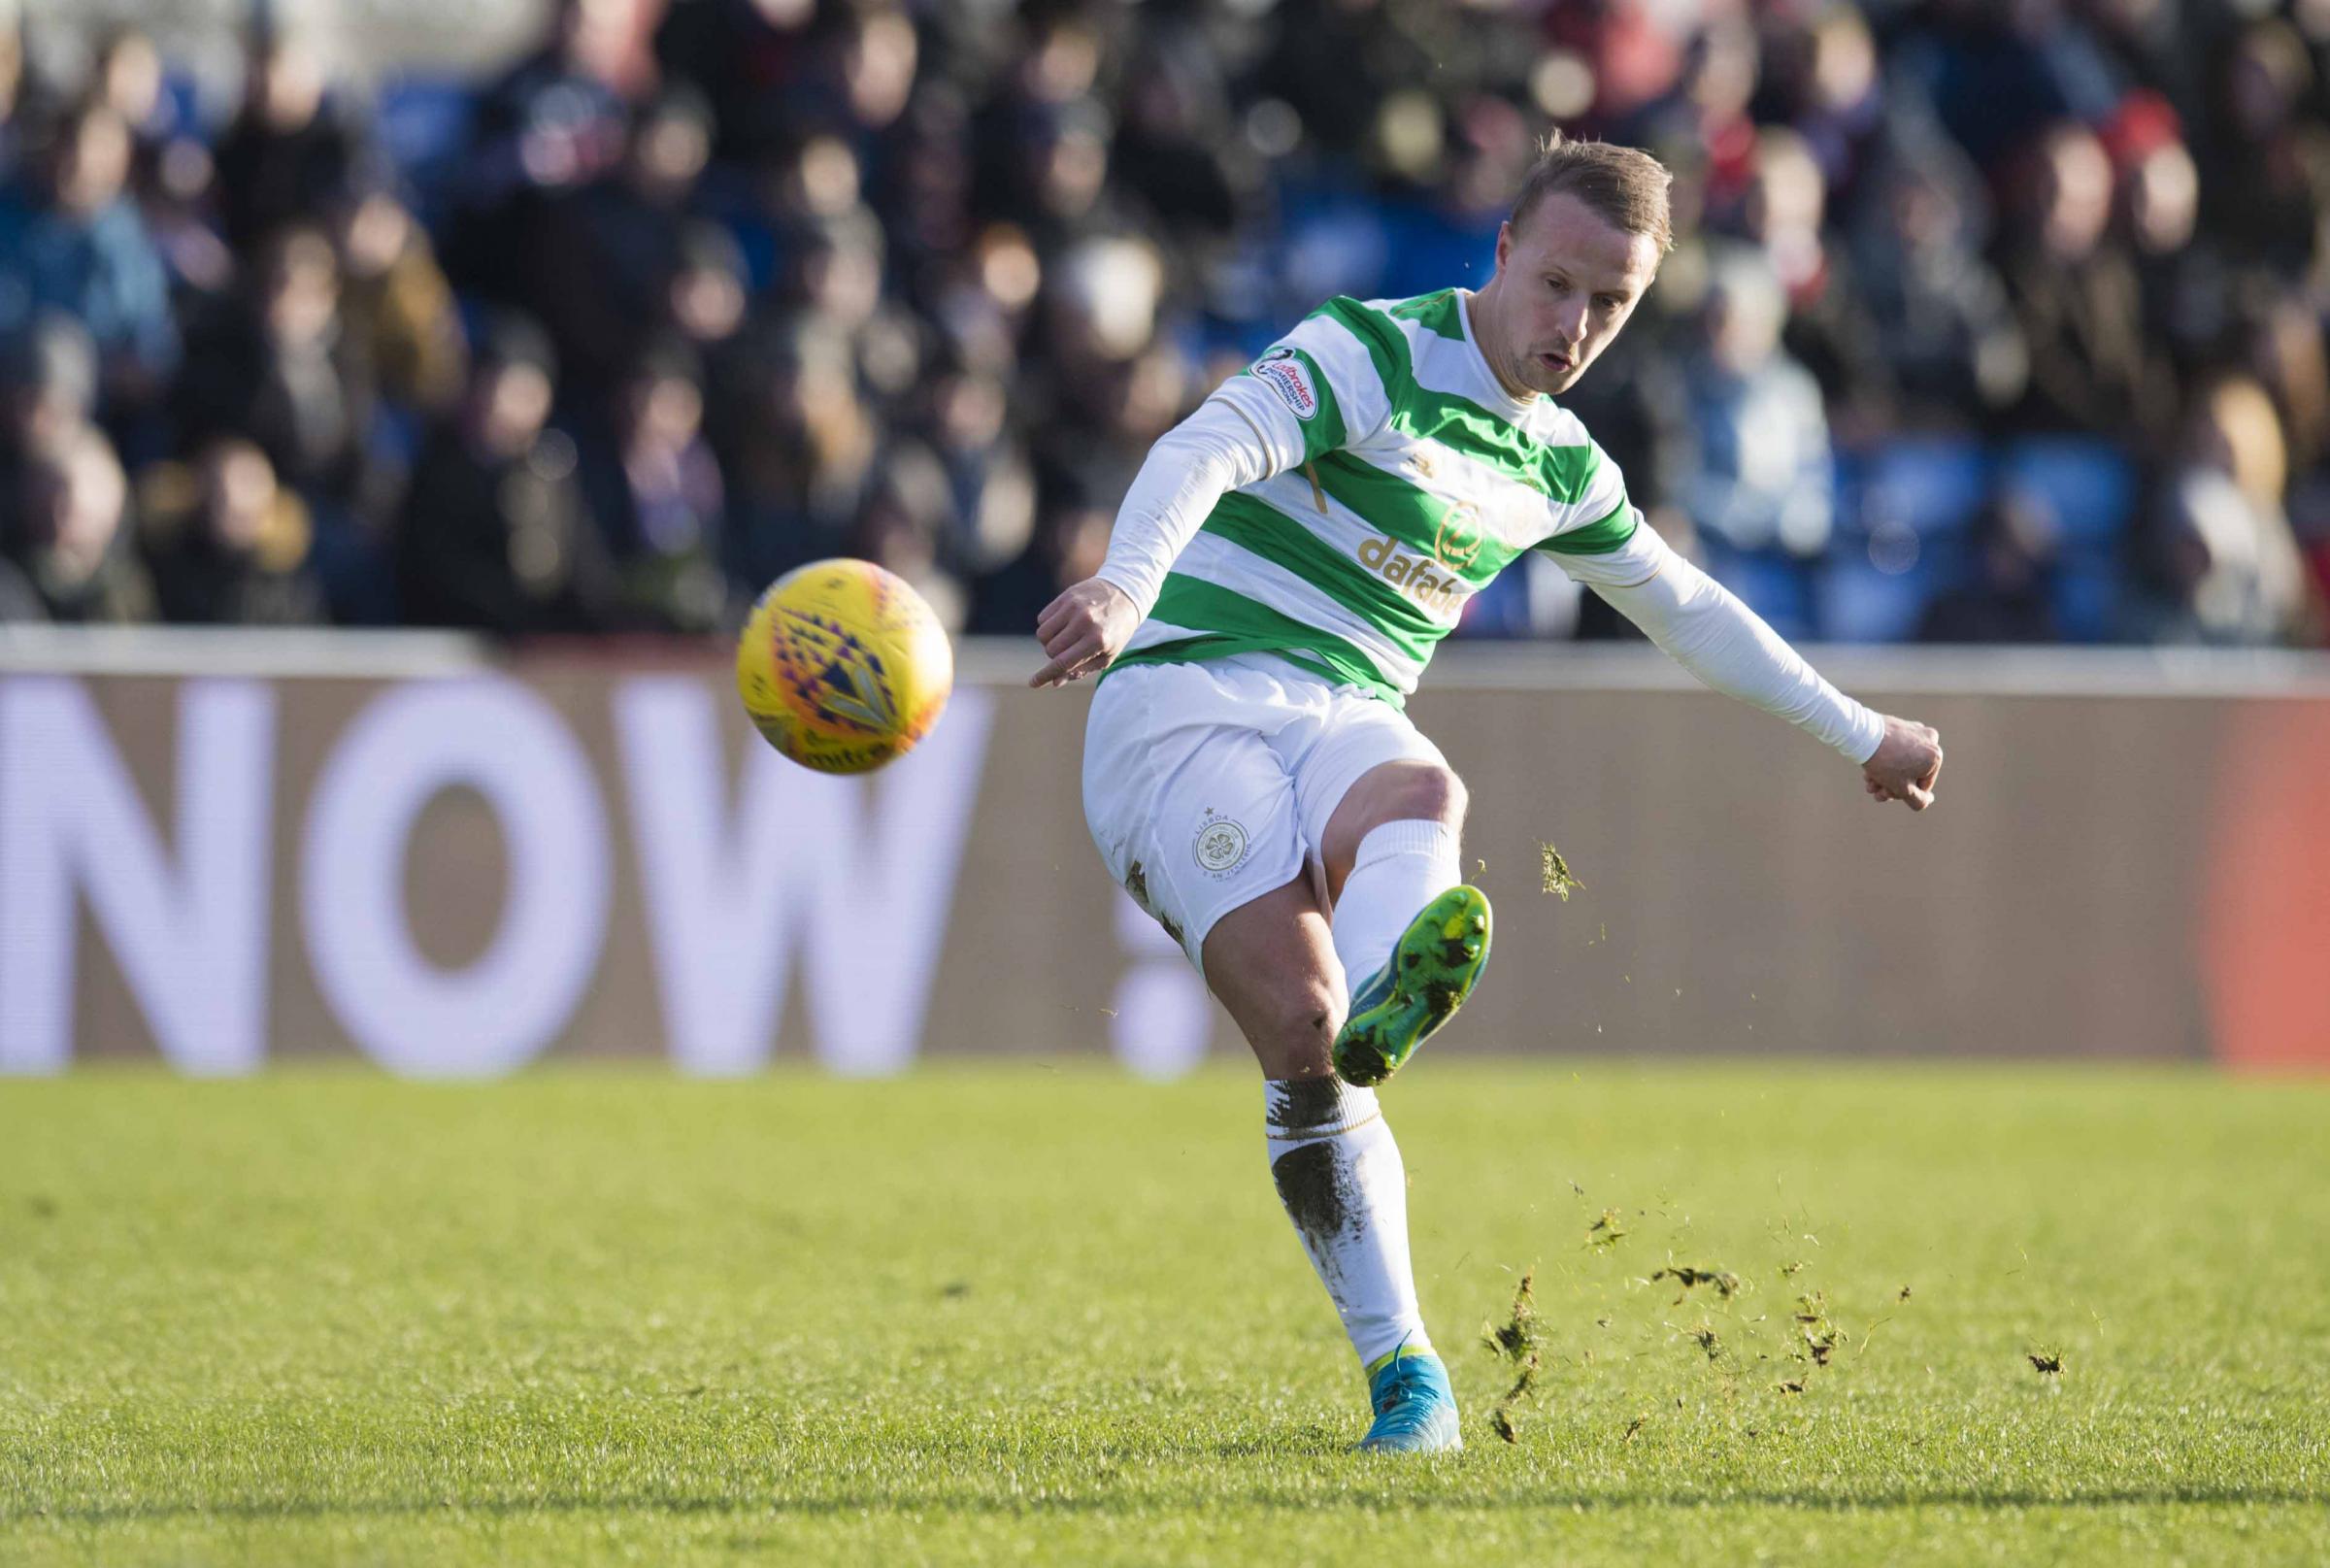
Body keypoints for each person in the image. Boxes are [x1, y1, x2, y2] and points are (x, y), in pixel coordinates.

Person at [1028, 136, 1946, 1454]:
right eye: (1557, 284)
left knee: (1418, 782)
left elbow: (1688, 611)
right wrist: (1124, 584)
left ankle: (1399, 1076)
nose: (1573, 326)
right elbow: (1214, 442)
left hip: (1343, 709)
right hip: (1184, 695)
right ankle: (1396, 1318)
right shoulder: (1373, 351)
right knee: (1298, 1026)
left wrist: (1861, 733)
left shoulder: (1560, 466)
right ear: (1504, 252)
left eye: (1610, 304)